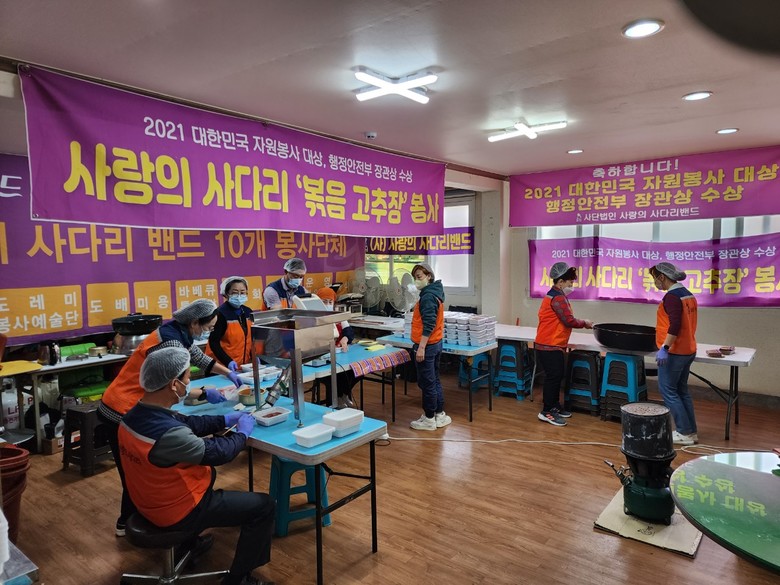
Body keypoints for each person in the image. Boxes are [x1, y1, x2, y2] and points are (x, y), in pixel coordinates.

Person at [119, 346, 275, 585]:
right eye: (187, 378)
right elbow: (219, 452)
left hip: (146, 503)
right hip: (178, 510)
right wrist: (242, 434)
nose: (189, 383)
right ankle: (239, 579)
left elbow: (188, 422)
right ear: (174, 385)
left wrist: (224, 419)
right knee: (264, 506)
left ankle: (188, 545)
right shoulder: (168, 434)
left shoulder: (133, 417)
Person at [99, 298, 241, 537]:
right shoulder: (171, 342)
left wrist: (229, 372)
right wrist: (204, 393)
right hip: (123, 407)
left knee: (138, 470)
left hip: (129, 403)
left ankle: (143, 518)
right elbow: (169, 385)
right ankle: (128, 522)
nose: (208, 331)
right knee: (134, 471)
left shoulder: (177, 332)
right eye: (208, 327)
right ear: (194, 323)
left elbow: (197, 357)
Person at [534, 262, 594, 427]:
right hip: (549, 344)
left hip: (552, 343)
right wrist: (585, 322)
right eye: (570, 282)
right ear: (560, 282)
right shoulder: (557, 297)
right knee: (553, 378)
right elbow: (568, 320)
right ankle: (546, 411)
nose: (571, 286)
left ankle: (554, 406)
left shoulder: (554, 295)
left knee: (556, 376)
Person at [650, 261, 699, 446]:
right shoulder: (687, 294)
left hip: (674, 351)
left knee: (668, 391)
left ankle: (684, 432)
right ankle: (691, 431)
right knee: (681, 391)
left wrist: (665, 348)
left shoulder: (671, 297)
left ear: (662, 277)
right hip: (688, 349)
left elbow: (675, 325)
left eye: (655, 278)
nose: (655, 282)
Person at [408, 263, 451, 431]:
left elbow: (429, 324)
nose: (416, 280)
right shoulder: (435, 293)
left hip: (427, 345)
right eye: (415, 278)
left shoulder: (427, 297)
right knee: (435, 381)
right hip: (436, 343)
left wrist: (421, 347)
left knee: (427, 383)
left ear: (429, 276)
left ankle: (429, 418)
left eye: (419, 277)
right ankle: (439, 414)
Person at [315, 286, 358, 408]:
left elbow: (349, 331)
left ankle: (343, 395)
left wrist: (345, 339)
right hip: (324, 358)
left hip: (340, 355)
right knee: (335, 375)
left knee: (356, 371)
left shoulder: (337, 315)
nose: (328, 304)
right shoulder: (314, 318)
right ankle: (335, 400)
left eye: (330, 302)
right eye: (324, 302)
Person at [207, 276, 255, 368]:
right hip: (220, 366)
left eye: (242, 292)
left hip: (241, 366)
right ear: (226, 294)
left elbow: (250, 339)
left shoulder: (248, 312)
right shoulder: (220, 314)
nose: (239, 296)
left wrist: (254, 356)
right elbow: (214, 343)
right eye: (235, 293)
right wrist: (227, 361)